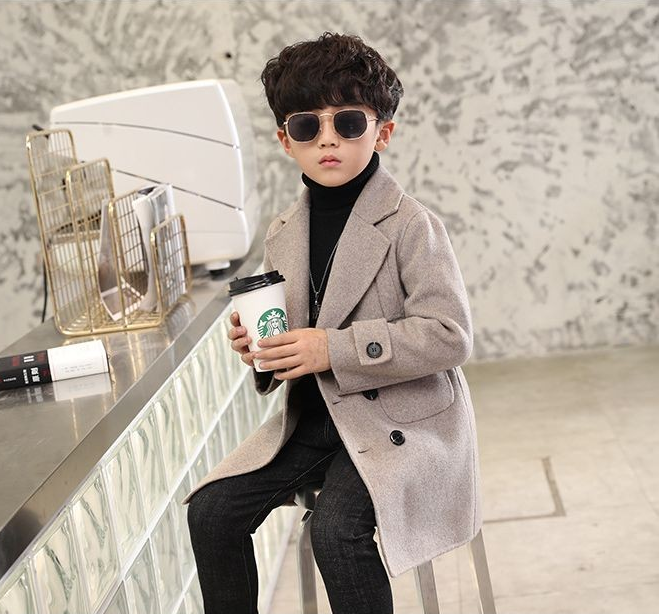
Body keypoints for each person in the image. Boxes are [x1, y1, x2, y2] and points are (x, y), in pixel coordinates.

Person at [184, 32, 481, 614]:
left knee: (336, 532)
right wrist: (261, 350)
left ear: (382, 133)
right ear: (285, 140)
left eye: (347, 122)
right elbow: (295, 332)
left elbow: (450, 335)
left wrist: (332, 349)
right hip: (318, 420)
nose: (327, 139)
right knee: (212, 513)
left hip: (403, 420)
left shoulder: (412, 225)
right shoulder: (282, 233)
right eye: (306, 126)